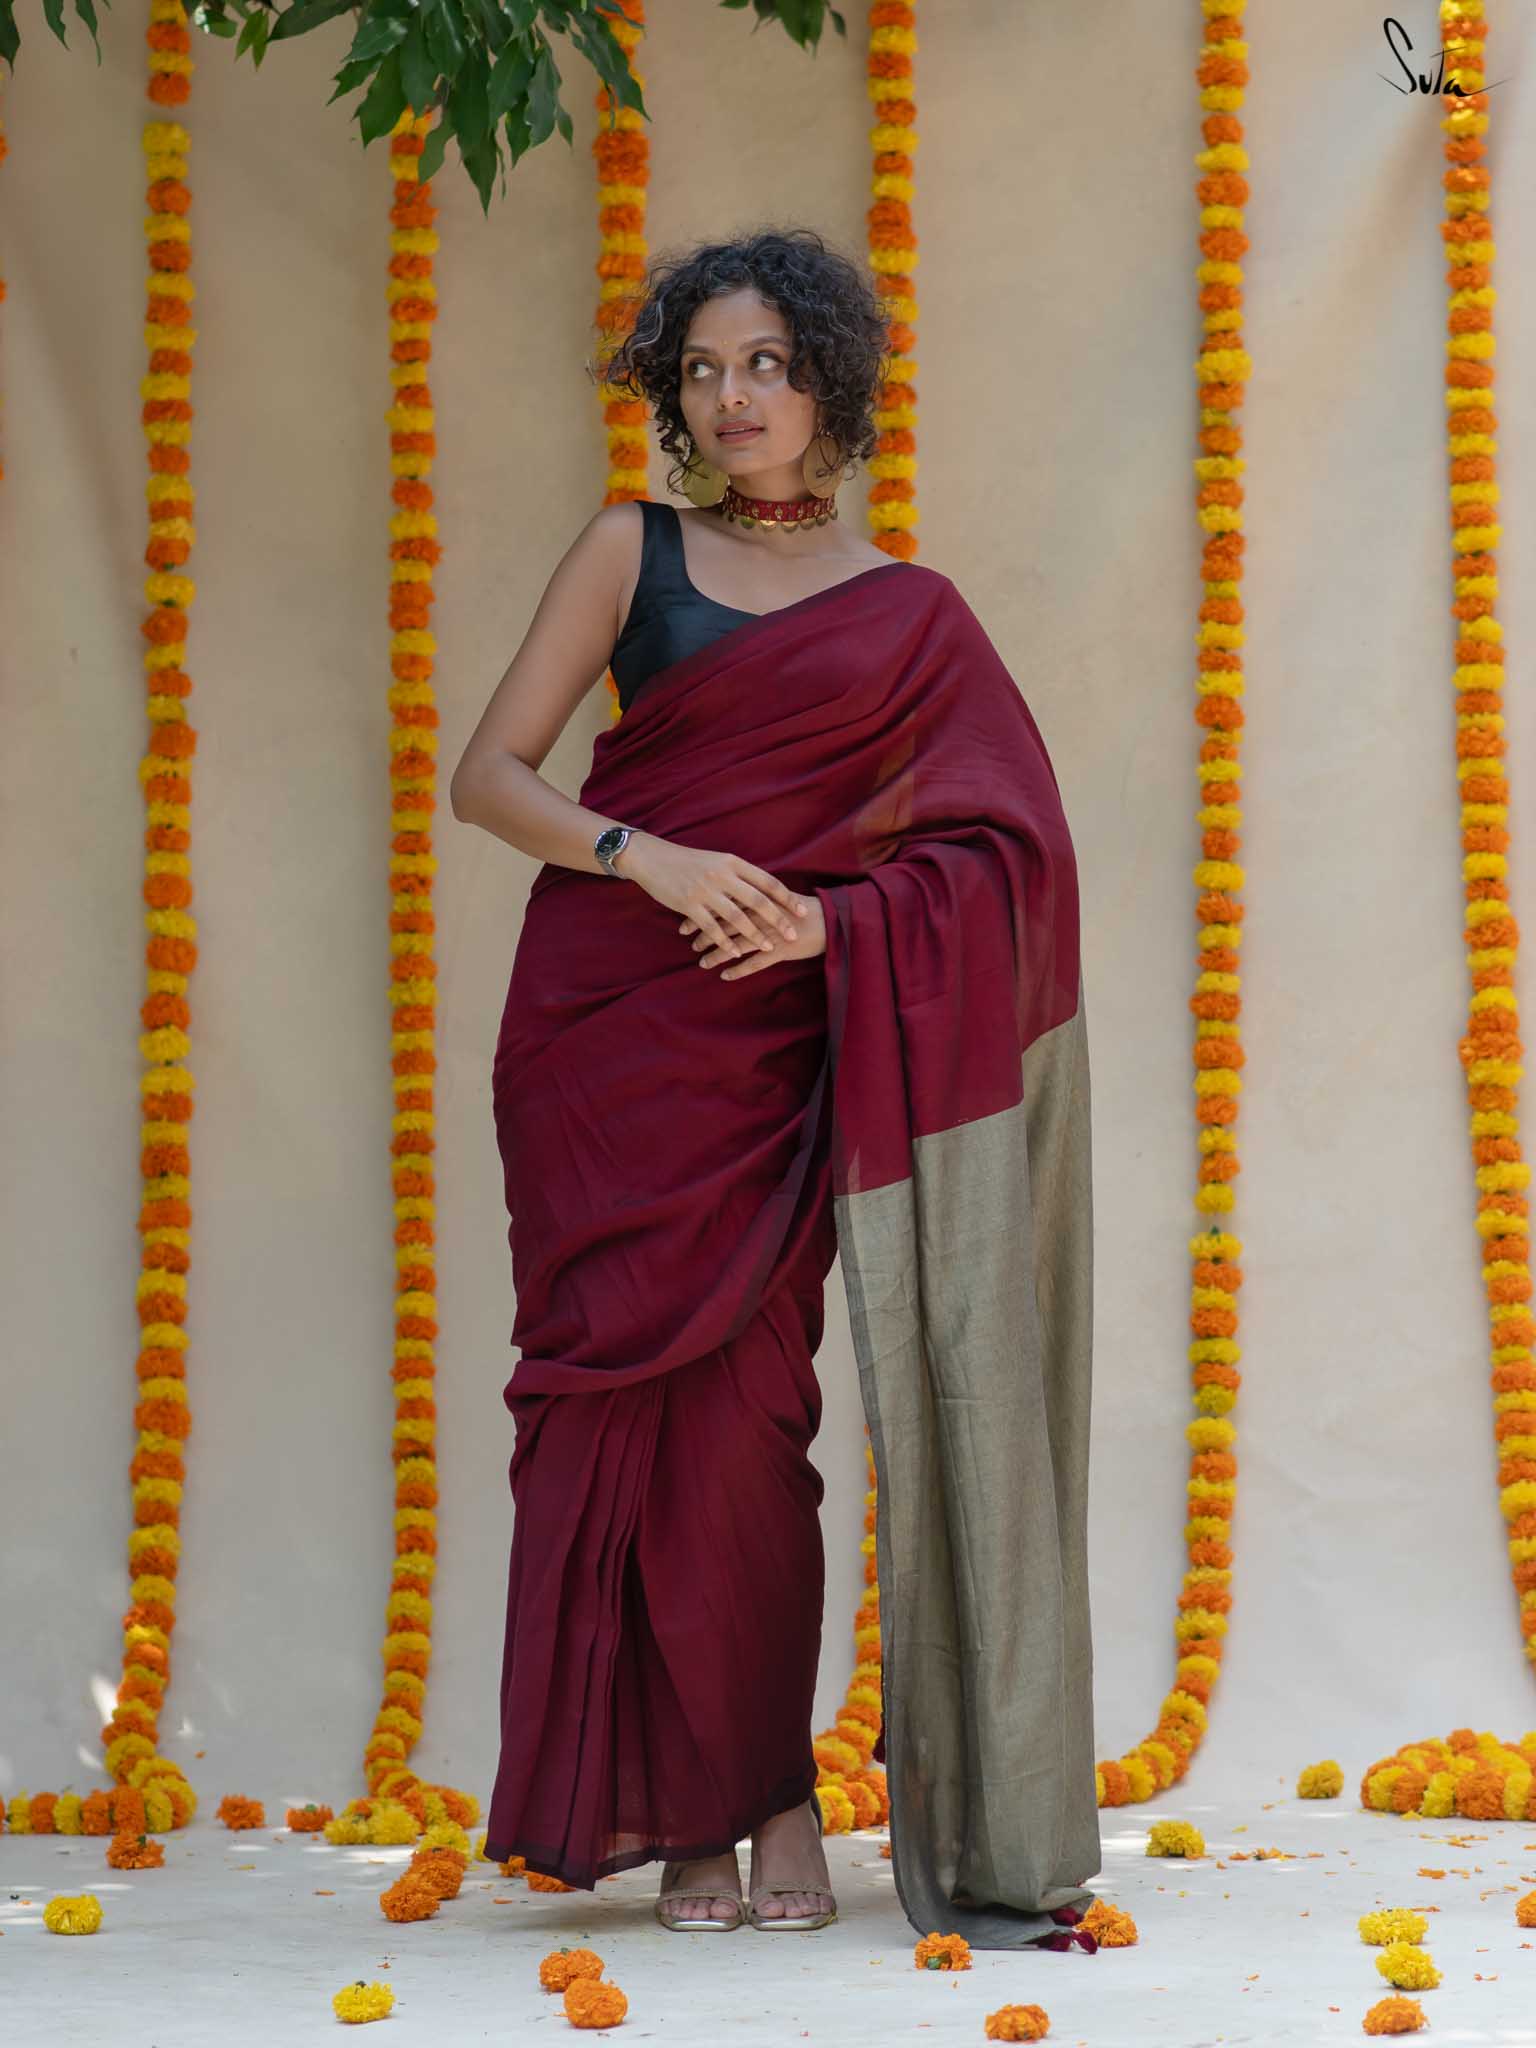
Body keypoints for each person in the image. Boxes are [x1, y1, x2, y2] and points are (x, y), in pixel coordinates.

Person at [449, 227, 1102, 1951]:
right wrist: (647, 856)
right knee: (606, 1411)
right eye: (703, 370)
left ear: (829, 384)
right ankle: (684, 1816)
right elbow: (489, 776)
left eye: (767, 365)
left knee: (753, 1430)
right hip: (604, 1040)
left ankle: (775, 1790)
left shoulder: (912, 615)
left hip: (778, 1052)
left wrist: (835, 924)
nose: (733, 399)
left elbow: (1009, 853)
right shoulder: (632, 549)